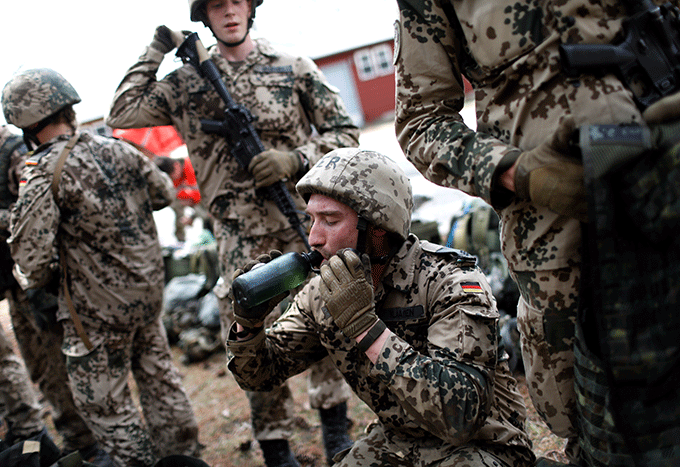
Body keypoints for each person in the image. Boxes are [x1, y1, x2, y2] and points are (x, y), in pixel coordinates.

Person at [393, 1, 680, 466]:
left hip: (666, 170)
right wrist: (516, 172)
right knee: (599, 429)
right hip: (555, 230)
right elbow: (422, 120)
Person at [106, 1, 361, 465]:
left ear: (250, 7)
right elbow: (122, 113)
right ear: (205, 15)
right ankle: (276, 444)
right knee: (251, 336)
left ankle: (334, 427)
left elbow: (345, 133)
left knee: (328, 316)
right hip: (239, 237)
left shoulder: (292, 67)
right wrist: (156, 49)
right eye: (217, 5)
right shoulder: (185, 83)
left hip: (300, 222)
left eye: (236, 2)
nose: (228, 12)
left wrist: (295, 158)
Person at [227, 148, 535, 467]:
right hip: (398, 444)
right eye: (312, 220)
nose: (314, 238)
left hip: (482, 446)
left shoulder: (451, 282)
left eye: (330, 220)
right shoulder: (323, 293)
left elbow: (461, 417)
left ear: (376, 229)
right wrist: (248, 324)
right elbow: (261, 375)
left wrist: (365, 328)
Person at [3, 68, 201, 467]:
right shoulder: (119, 149)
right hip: (144, 297)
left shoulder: (42, 173)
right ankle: (184, 460)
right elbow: (163, 194)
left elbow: (32, 261)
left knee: (107, 406)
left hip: (94, 314)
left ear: (26, 122)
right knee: (162, 384)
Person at [0, 82, 113, 466]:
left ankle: (92, 448)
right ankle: (78, 446)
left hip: (43, 289)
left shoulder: (19, 155)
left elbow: (44, 219)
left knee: (61, 374)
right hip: (19, 289)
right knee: (44, 375)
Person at [154, 156, 211, 242]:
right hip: (189, 202)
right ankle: (181, 241)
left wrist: (191, 216)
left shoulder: (191, 166)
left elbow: (199, 196)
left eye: (172, 174)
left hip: (206, 201)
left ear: (176, 165)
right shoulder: (172, 178)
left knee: (207, 217)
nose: (173, 178)